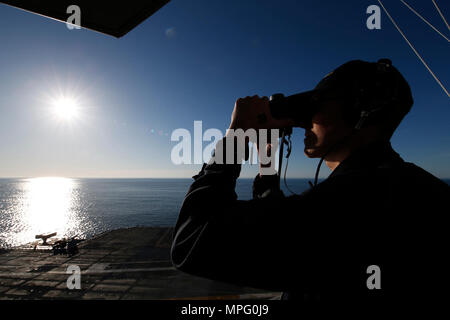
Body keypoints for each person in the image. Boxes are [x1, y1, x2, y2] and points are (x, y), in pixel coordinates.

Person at [170, 58, 449, 303]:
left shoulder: (353, 200)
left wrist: (236, 137)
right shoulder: (403, 184)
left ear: (362, 110)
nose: (304, 121)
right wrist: (267, 163)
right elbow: (293, 232)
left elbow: (193, 239)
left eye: (316, 104)